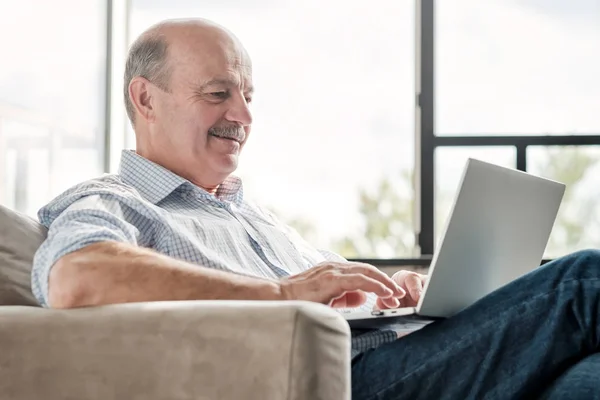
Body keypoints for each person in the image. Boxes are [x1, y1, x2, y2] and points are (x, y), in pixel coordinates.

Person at [31, 18, 600, 400]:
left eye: (247, 97)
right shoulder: (110, 201)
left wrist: (394, 289)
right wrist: (280, 295)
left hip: (402, 353)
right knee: (583, 280)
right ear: (144, 98)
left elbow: (329, 289)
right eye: (217, 93)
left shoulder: (259, 221)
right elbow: (77, 278)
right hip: (348, 383)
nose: (244, 116)